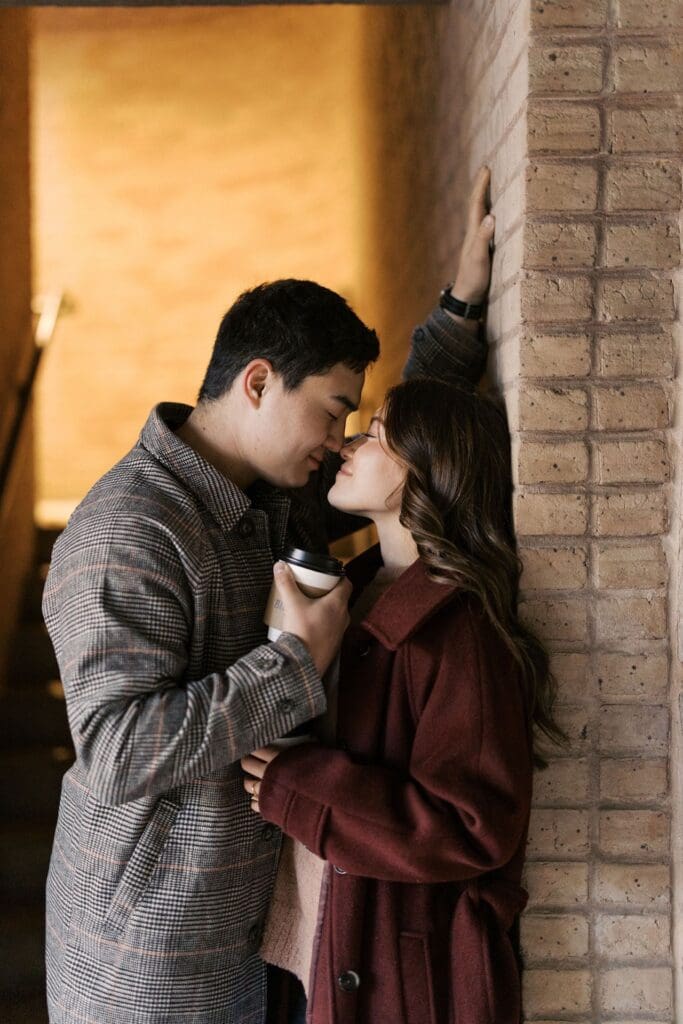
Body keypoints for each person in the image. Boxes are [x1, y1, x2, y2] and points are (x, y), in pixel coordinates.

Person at [41, 168, 495, 1024]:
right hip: (149, 965)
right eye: (330, 411)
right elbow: (116, 752)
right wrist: (289, 664)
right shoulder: (127, 532)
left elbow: (391, 459)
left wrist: (463, 308)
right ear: (257, 383)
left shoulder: (264, 495)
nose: (338, 440)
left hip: (252, 941)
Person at [241, 378, 564, 1024]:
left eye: (379, 433)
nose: (349, 444)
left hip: (399, 981)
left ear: (427, 468)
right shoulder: (353, 593)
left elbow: (471, 823)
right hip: (316, 949)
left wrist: (299, 788)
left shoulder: (459, 630)